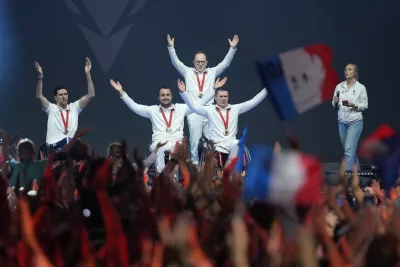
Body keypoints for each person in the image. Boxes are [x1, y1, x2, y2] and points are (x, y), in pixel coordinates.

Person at [110, 78, 227, 174]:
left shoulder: (181, 108)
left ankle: (173, 176)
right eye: (163, 95)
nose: (165, 97)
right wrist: (121, 92)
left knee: (175, 149)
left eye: (168, 95)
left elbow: (198, 104)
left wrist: (213, 89)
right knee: (160, 148)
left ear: (171, 96)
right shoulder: (152, 110)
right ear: (159, 98)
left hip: (176, 141)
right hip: (159, 142)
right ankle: (162, 176)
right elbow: (135, 107)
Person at [167, 34, 239, 165]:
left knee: (215, 142)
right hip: (194, 111)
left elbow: (225, 64)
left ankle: (215, 168)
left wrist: (232, 49)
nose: (200, 64)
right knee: (194, 143)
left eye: (202, 62)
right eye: (197, 62)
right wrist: (171, 47)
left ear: (206, 62)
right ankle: (195, 169)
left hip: (210, 111)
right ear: (193, 62)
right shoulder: (187, 71)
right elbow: (175, 62)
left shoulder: (212, 72)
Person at [178, 79, 267, 157]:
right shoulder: (209, 110)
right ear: (215, 98)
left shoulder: (235, 108)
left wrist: (268, 88)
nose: (223, 99)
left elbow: (254, 101)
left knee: (239, 145)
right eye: (221, 96)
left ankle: (233, 171)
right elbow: (193, 107)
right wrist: (183, 93)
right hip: (216, 144)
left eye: (225, 96)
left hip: (231, 143)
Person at [34, 58, 95, 153]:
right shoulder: (51, 108)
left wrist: (88, 74)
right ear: (55, 97)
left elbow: (91, 95)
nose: (63, 97)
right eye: (60, 95)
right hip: (54, 149)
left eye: (65, 94)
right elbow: (39, 96)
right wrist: (40, 77)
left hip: (70, 148)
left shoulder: (74, 107)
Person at [332, 63, 368, 171]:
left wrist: (355, 105)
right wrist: (335, 102)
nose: (346, 71)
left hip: (355, 122)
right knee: (349, 151)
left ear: (354, 73)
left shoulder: (360, 88)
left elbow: (365, 105)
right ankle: (358, 178)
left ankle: (347, 179)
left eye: (349, 69)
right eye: (345, 69)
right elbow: (334, 104)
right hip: (342, 123)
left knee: (348, 150)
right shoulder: (339, 86)